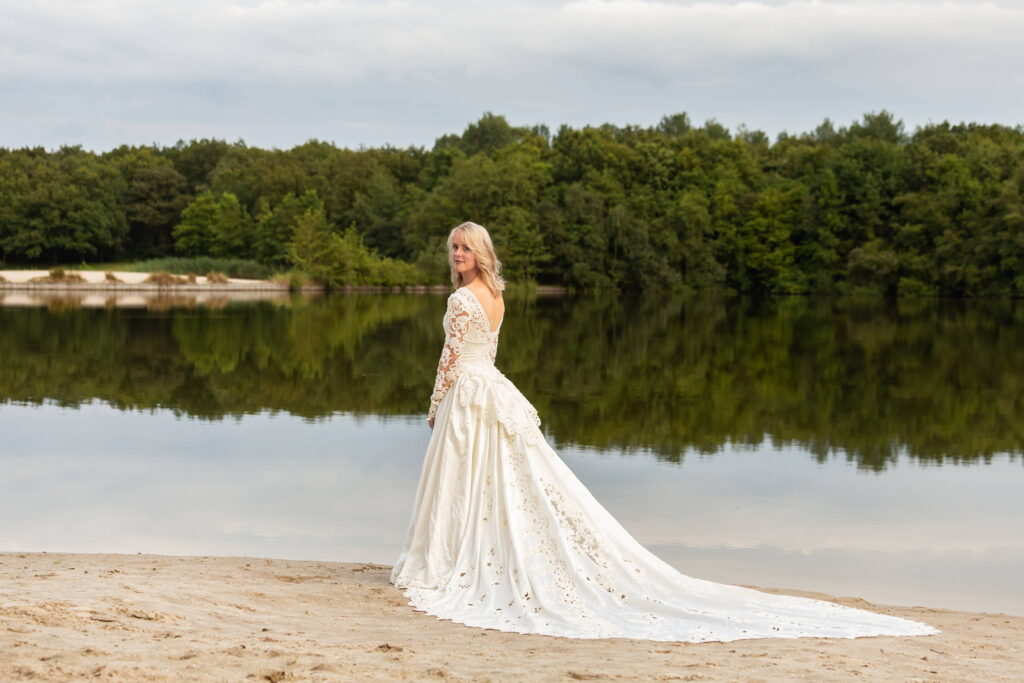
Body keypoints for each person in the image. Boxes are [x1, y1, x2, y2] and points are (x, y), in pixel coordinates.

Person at [389, 221, 940, 642]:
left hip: (471, 392)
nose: (457, 256)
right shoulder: (497, 295)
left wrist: (436, 403)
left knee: (480, 478)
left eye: (464, 248)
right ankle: (478, 548)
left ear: (479, 253)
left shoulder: (463, 298)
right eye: (453, 248)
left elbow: (452, 358)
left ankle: (456, 556)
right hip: (493, 389)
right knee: (496, 480)